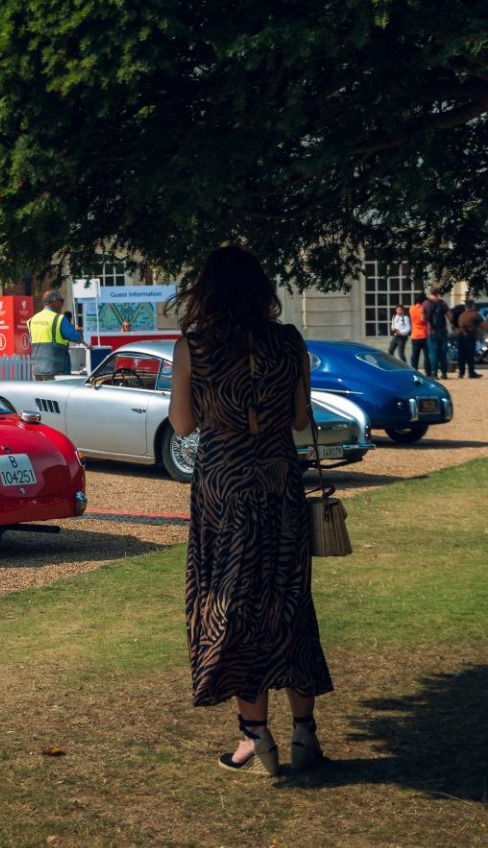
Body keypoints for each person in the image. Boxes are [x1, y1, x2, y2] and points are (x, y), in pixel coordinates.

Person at [168, 246, 332, 776]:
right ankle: (304, 733)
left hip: (225, 487)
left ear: (207, 291)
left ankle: (255, 737)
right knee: (288, 601)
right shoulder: (289, 341)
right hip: (279, 481)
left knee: (233, 606)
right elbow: (301, 419)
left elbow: (183, 425)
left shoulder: (193, 347)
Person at [26, 290, 83, 379]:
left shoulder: (32, 320)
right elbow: (77, 338)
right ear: (55, 302)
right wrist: (79, 331)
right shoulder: (59, 319)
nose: (62, 305)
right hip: (56, 369)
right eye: (61, 301)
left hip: (37, 369)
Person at [422, 288, 451, 380]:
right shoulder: (442, 303)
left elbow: (423, 319)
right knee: (443, 353)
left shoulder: (426, 304)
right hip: (442, 331)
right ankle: (444, 373)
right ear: (438, 293)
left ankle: (434, 373)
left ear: (430, 293)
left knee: (433, 353)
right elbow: (450, 316)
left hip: (432, 331)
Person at [456, 300, 482, 379]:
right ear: (472, 306)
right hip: (470, 336)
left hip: (461, 336)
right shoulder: (475, 314)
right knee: (470, 355)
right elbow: (482, 324)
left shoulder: (461, 315)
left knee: (462, 355)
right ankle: (471, 372)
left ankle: (461, 373)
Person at [408, 294, 429, 372]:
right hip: (424, 334)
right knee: (427, 355)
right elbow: (423, 320)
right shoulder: (423, 309)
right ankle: (428, 371)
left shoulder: (411, 308)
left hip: (415, 335)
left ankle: (414, 370)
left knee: (415, 355)